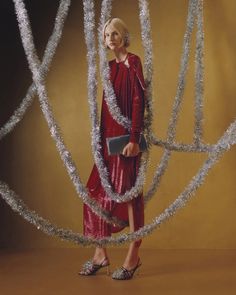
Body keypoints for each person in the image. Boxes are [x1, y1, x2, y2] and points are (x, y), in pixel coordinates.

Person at [79, 17, 146, 280]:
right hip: (107, 143)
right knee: (94, 192)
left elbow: (139, 102)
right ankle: (100, 253)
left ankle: (134, 254)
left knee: (130, 197)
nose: (110, 39)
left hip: (127, 143)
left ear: (123, 36)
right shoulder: (108, 69)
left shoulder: (134, 63)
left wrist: (134, 139)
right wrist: (98, 140)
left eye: (115, 34)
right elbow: (105, 108)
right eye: (107, 36)